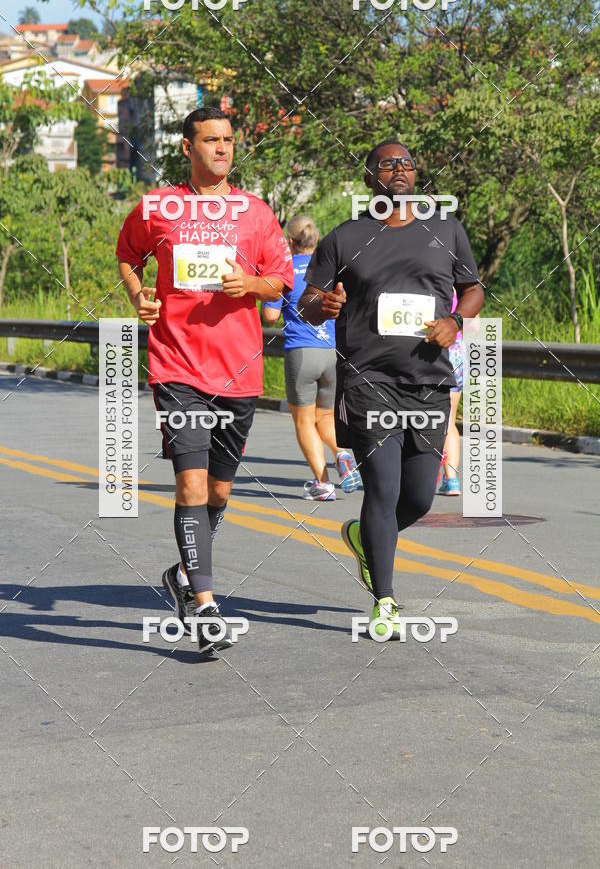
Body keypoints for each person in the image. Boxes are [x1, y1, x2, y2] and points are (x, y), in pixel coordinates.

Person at [116, 106, 293, 653]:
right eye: (211, 140)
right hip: (176, 367)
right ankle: (206, 606)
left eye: (229, 140)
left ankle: (182, 575)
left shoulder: (255, 214)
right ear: (188, 149)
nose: (223, 148)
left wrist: (251, 284)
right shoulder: (158, 208)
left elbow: (282, 282)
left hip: (238, 373)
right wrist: (137, 295)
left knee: (218, 491)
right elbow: (128, 257)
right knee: (191, 486)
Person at [298, 139, 484, 638]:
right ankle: (385, 600)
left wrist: (455, 320)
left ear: (417, 176)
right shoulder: (345, 237)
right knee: (384, 486)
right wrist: (323, 306)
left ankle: (363, 536)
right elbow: (308, 301)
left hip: (427, 381)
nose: (398, 170)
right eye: (387, 164)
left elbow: (473, 288)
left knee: (420, 497)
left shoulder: (445, 230)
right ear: (369, 178)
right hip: (368, 380)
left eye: (406, 163)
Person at [262, 214, 360, 501]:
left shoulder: (285, 270)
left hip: (302, 353)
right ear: (315, 241)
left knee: (304, 421)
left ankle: (322, 483)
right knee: (326, 416)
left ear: (290, 242)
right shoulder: (329, 269)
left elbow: (269, 316)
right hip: (333, 353)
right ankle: (341, 453)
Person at [438, 290, 464, 495]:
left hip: (437, 349)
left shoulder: (428, 280)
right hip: (458, 351)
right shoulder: (463, 291)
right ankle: (452, 479)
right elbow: (475, 325)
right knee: (450, 420)